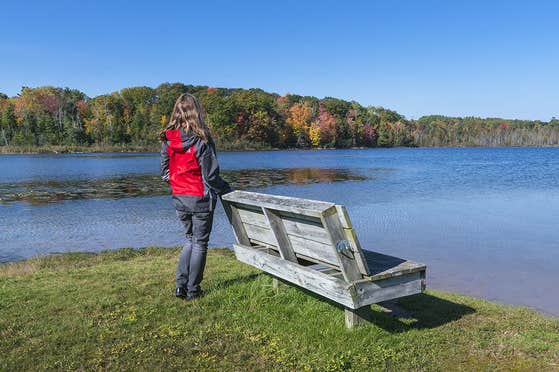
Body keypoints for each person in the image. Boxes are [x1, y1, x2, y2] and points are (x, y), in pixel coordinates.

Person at [160, 93, 232, 300]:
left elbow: (165, 172)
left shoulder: (168, 139)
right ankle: (193, 290)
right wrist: (227, 190)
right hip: (200, 198)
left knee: (190, 240)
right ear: (196, 111)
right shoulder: (202, 138)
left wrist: (179, 183)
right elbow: (210, 176)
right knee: (199, 243)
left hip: (180, 197)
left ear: (177, 112)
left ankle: (180, 286)